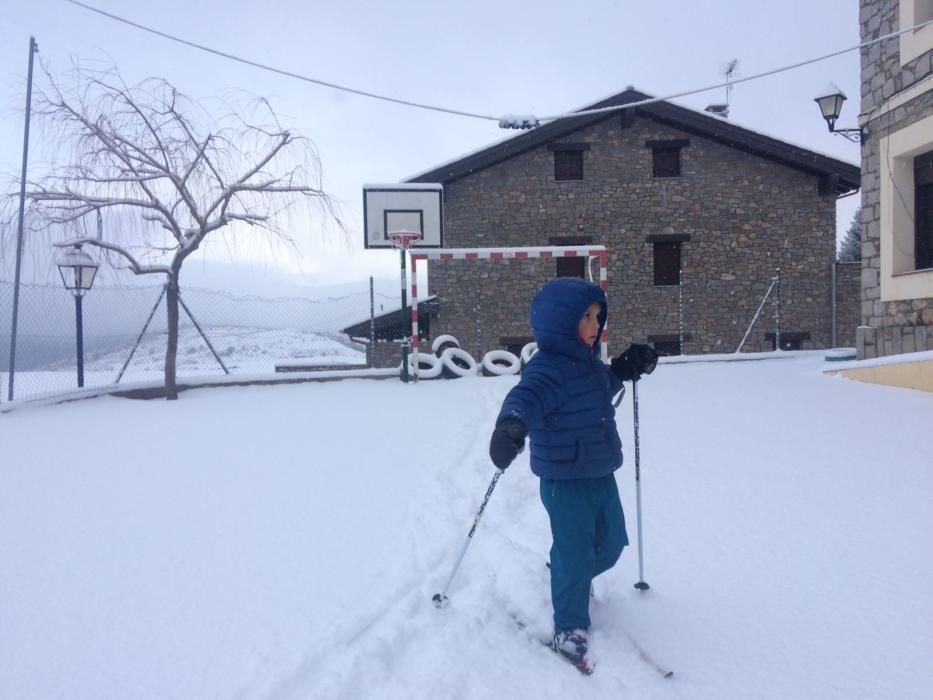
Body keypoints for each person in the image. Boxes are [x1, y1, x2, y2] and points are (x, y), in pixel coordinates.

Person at [488, 276, 657, 666]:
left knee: (612, 545)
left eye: (599, 316)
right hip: (565, 482)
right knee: (576, 555)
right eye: (587, 316)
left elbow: (603, 385)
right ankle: (569, 628)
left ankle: (567, 574)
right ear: (560, 322)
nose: (595, 325)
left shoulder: (590, 365)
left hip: (600, 473)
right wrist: (511, 425)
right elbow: (524, 398)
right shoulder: (546, 369)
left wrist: (627, 368)